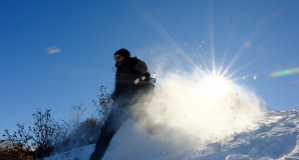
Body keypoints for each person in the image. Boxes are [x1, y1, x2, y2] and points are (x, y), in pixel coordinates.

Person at [89, 48, 153, 160]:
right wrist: (115, 95)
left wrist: (142, 96)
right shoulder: (121, 69)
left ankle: (175, 133)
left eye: (119, 57)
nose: (116, 60)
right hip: (119, 108)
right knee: (104, 137)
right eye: (115, 58)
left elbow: (147, 78)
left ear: (125, 57)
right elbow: (127, 86)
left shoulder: (131, 64)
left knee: (151, 129)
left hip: (133, 106)